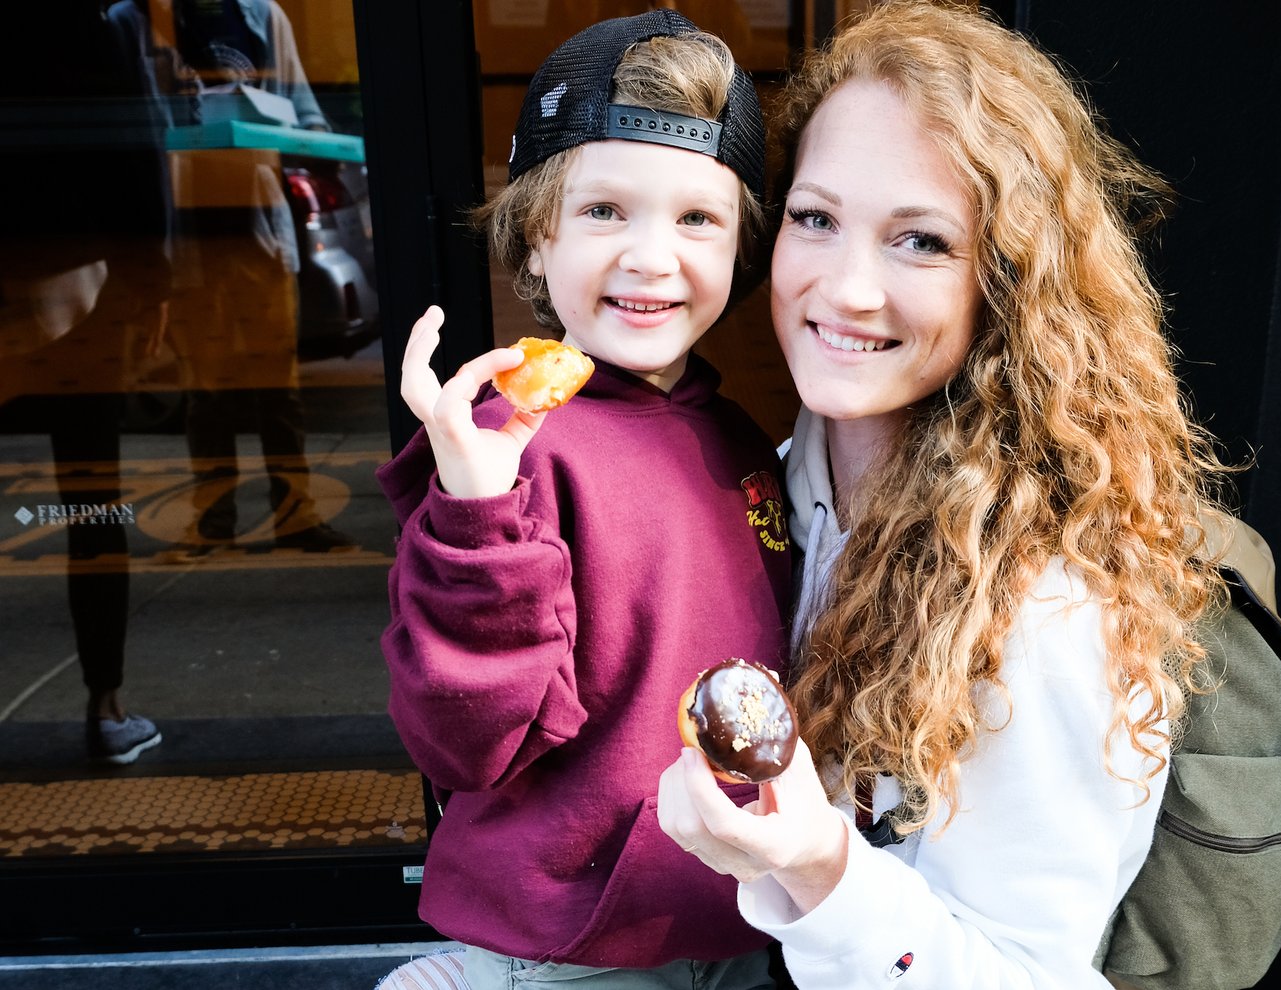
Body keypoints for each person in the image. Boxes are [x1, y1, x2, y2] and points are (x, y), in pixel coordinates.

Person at [657, 2, 1234, 988]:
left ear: (1005, 282)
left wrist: (816, 863)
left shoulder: (1047, 604)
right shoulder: (789, 478)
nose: (845, 288)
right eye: (816, 218)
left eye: (919, 241)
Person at [375, 10, 791, 990]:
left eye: (698, 219)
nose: (651, 255)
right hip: (583, 942)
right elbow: (467, 744)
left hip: (738, 917)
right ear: (534, 237)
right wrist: (474, 520)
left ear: (741, 251)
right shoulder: (506, 447)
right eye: (605, 211)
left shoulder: (731, 438)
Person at [1, 0, 172, 763]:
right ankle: (107, 706)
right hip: (76, 292)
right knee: (93, 505)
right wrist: (152, 284)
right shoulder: (93, 19)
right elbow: (134, 150)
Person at [164, 0, 353, 556]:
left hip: (257, 226)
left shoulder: (260, 17)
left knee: (277, 388)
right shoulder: (146, 18)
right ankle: (213, 521)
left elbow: (306, 115)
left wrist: (284, 131)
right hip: (188, 229)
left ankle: (295, 517)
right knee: (206, 390)